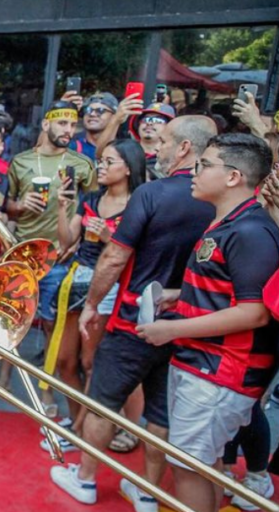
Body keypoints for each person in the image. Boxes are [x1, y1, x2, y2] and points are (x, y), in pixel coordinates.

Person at [52, 115, 218, 511]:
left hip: (135, 320)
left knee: (103, 401)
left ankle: (86, 479)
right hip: (188, 324)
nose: (155, 148)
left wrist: (92, 304)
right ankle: (148, 490)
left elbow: (114, 257)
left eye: (163, 141)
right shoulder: (222, 201)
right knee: (161, 412)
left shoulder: (153, 193)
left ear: (183, 149)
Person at [136, 133, 279, 512]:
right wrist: (176, 297)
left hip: (221, 370)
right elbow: (225, 293)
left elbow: (254, 311)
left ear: (233, 177)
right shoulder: (231, 223)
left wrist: (171, 328)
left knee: (187, 467)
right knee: (204, 466)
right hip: (204, 365)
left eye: (204, 165)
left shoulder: (250, 231)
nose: (194, 173)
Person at [52, 138, 145, 444]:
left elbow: (137, 256)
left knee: (91, 363)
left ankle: (80, 428)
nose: (101, 167)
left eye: (108, 162)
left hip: (110, 286)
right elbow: (67, 242)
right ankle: (75, 416)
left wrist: (108, 237)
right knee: (64, 361)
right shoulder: (90, 199)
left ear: (129, 168)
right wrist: (62, 208)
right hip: (77, 279)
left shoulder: (139, 205)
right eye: (100, 161)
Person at [6, 101, 96, 417]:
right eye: (61, 124)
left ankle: (47, 394)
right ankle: (9, 382)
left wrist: (80, 238)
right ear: (46, 125)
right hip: (23, 254)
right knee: (14, 321)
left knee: (52, 330)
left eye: (72, 126)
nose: (68, 131)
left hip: (60, 259)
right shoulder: (20, 162)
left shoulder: (82, 164)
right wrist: (18, 205)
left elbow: (94, 207)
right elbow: (6, 205)